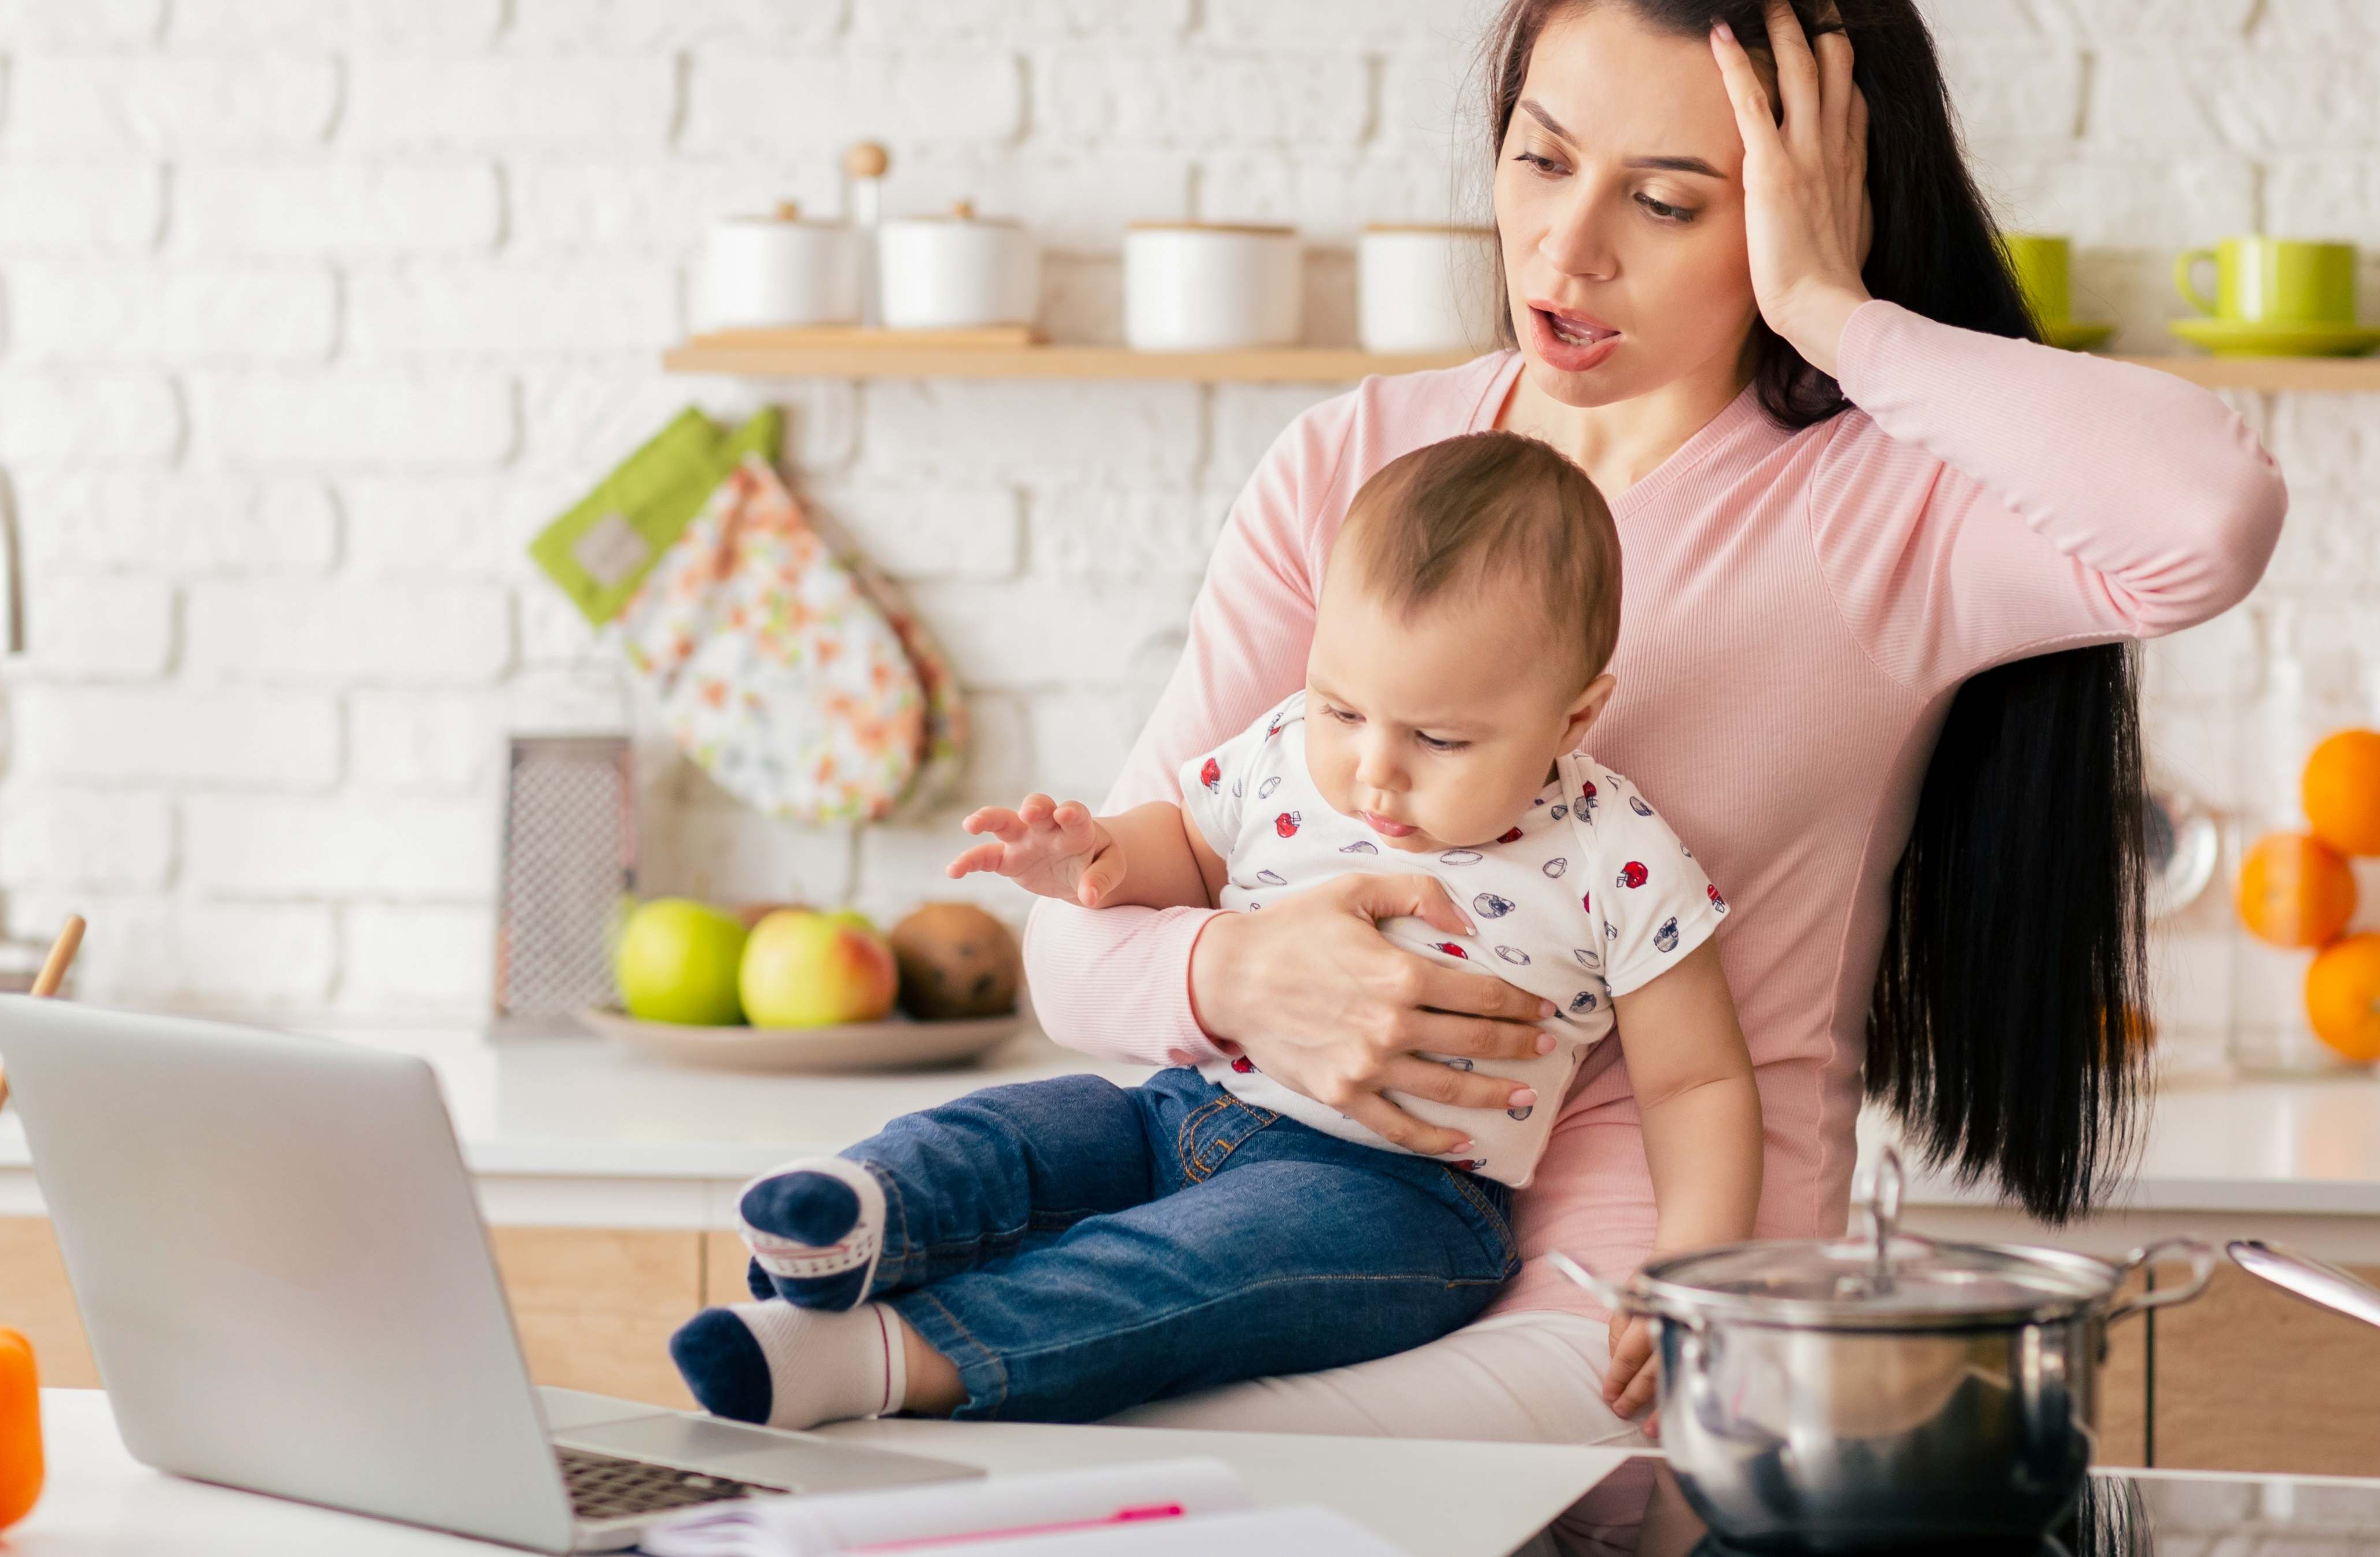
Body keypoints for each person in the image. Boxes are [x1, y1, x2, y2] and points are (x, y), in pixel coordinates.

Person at [1023, 0, 2288, 1542]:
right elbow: (1075, 947)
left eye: (1668, 199)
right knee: (1004, 1413)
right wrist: (1234, 971)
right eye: (1541, 159)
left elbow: (2206, 519)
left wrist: (1836, 314)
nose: (1568, 247)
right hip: (1298, 1240)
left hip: (1643, 1328)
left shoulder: (1881, 507)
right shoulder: (1355, 468)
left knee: (1166, 1483)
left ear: (1795, 209)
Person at [666, 432, 1762, 1429]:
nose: (1373, 771)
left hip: (1395, 1204)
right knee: (1025, 1129)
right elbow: (1188, 849)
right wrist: (1097, 859)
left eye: (1439, 740)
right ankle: (855, 1216)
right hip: (1185, 1107)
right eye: (1343, 709)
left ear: (1573, 717)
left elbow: (1697, 1083)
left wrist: (1687, 1270)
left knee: (1175, 1270)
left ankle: (885, 1358)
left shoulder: (1618, 853)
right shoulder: (1283, 752)